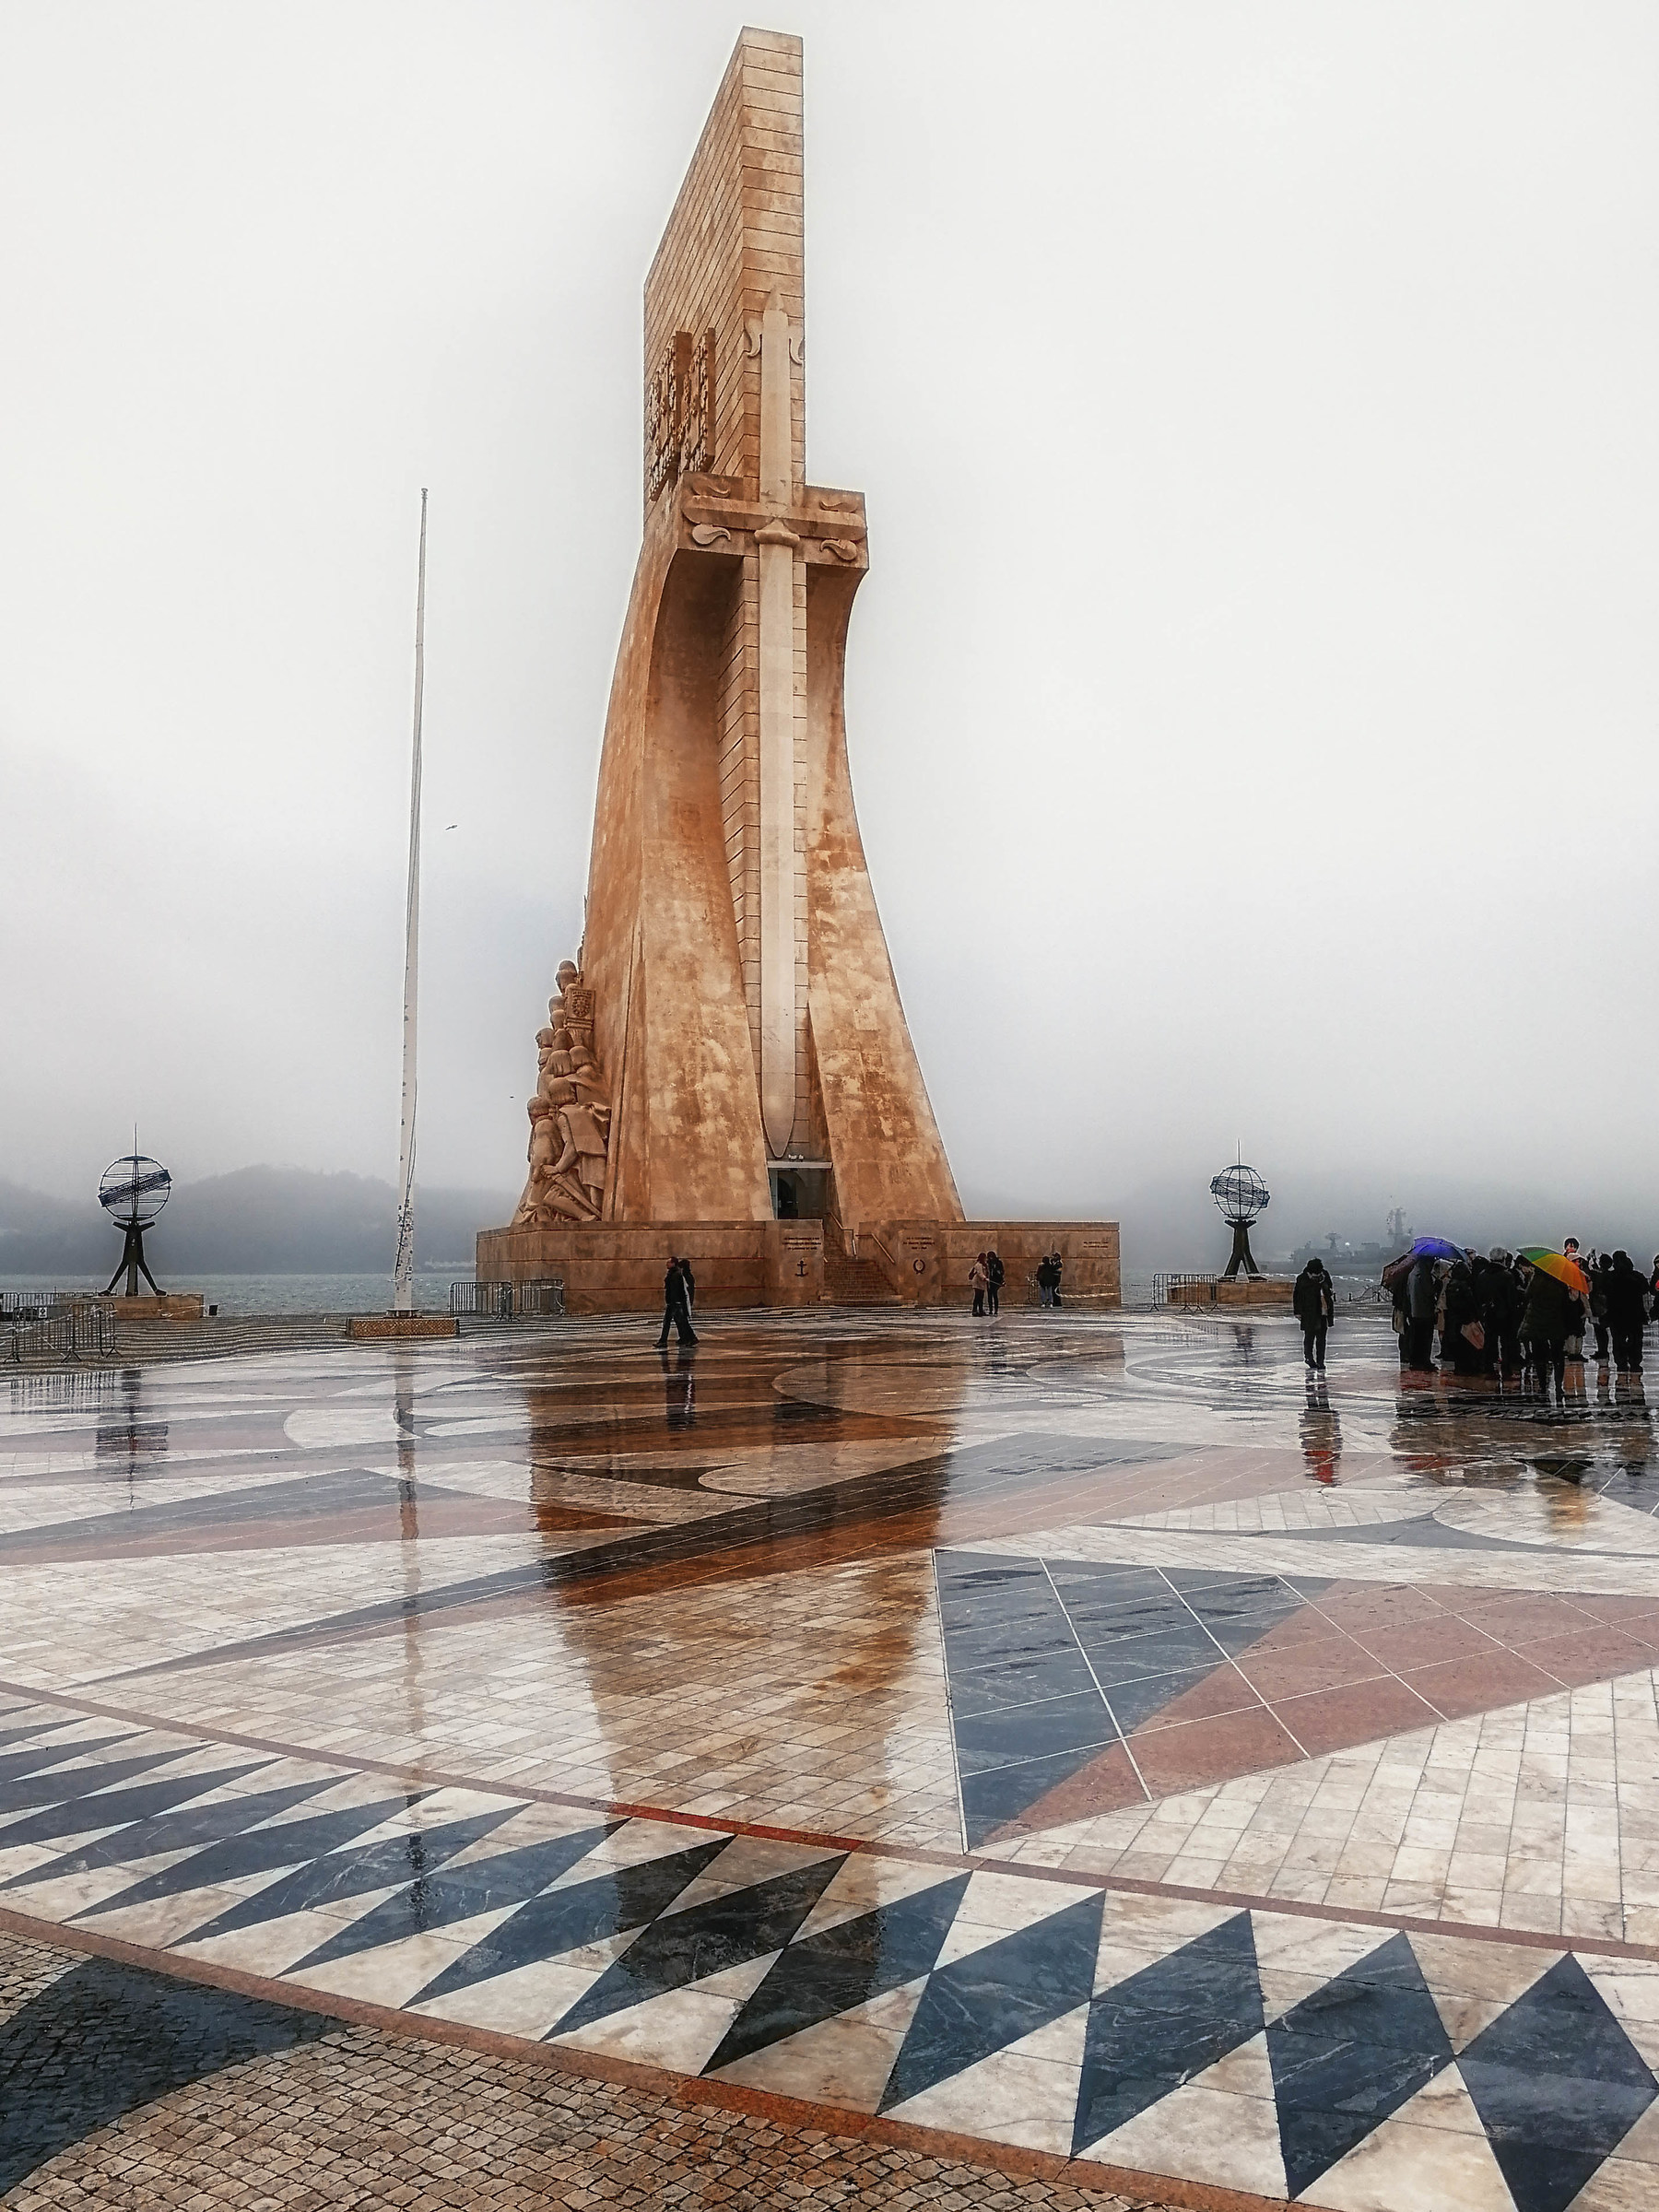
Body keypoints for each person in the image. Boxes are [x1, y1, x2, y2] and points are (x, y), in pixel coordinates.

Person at [1523, 1260, 1571, 1402]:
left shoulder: (1535, 1282)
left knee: (1539, 1356)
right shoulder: (1560, 1283)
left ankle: (1543, 1385)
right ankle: (1558, 1386)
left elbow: (1527, 1296)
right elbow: (1565, 1303)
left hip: (1537, 1322)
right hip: (1555, 1322)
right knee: (1558, 1356)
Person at [1607, 1251, 1647, 1375]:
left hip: (1616, 1314)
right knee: (1636, 1339)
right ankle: (1635, 1362)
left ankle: (1621, 1363)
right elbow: (1645, 1289)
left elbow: (1605, 1292)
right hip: (1635, 1313)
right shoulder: (1636, 1276)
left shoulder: (1612, 1277)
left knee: (1618, 1340)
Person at [1293, 1256, 1335, 1371]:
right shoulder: (1302, 1279)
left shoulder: (1325, 1275)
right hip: (1309, 1312)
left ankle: (1321, 1361)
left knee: (1322, 1339)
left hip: (1323, 1311)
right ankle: (1309, 1358)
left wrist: (1327, 1289)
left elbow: (1330, 1288)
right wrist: (1297, 1311)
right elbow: (1297, 1295)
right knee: (1309, 1337)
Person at [655, 1255, 697, 1348]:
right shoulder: (675, 1274)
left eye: (669, 1262)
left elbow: (676, 1290)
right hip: (675, 1303)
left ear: (673, 1263)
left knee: (671, 1322)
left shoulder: (676, 1275)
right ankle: (690, 1338)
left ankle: (664, 1341)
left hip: (674, 1303)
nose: (667, 1264)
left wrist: (674, 1302)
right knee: (681, 1322)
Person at [1406, 1253, 1438, 1371]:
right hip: (1424, 1311)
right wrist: (1436, 1285)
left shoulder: (1412, 1274)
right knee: (1425, 1339)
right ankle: (1425, 1361)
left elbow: (1408, 1293)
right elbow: (1429, 1292)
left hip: (1414, 1311)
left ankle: (1415, 1361)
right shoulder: (1424, 1275)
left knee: (1415, 1339)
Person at [1591, 1254, 1614, 1366]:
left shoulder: (1599, 1275)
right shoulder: (1610, 1275)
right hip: (1606, 1305)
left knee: (1599, 1330)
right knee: (1602, 1330)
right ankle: (1603, 1350)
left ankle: (1602, 1351)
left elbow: (1596, 1275)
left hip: (1598, 1305)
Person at [985, 1248, 1004, 1316]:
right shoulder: (988, 1263)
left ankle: (996, 1309)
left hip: (996, 1280)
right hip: (989, 1280)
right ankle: (990, 1309)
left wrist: (998, 1272)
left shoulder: (998, 1263)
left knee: (995, 1295)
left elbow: (1002, 1271)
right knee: (989, 1296)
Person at [969, 1253, 988, 1317]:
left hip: (981, 1283)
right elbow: (980, 1273)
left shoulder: (984, 1265)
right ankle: (974, 1310)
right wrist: (984, 1278)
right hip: (977, 1283)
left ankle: (981, 1310)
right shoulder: (978, 1265)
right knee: (977, 1297)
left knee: (981, 1297)